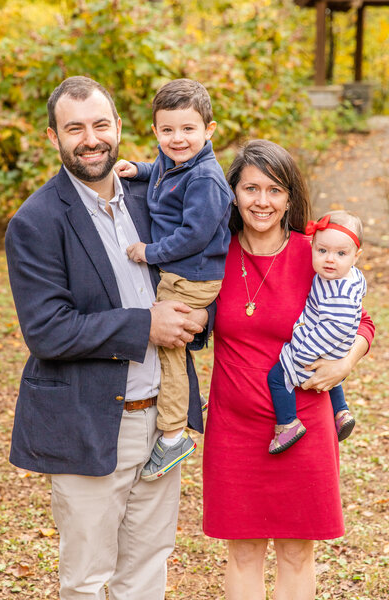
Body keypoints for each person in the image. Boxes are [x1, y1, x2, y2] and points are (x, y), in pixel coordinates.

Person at [5, 75, 212, 600]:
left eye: (100, 124)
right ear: (53, 137)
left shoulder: (154, 194)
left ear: (119, 128)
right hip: (90, 422)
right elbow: (48, 331)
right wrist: (147, 325)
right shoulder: (35, 222)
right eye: (74, 128)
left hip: (162, 416)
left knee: (147, 567)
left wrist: (196, 318)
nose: (90, 138)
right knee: (87, 578)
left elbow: (199, 259)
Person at [202, 140, 375, 600]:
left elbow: (363, 320)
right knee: (242, 552)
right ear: (233, 193)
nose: (263, 201)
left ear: (290, 197)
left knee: (298, 552)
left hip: (303, 424)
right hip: (233, 426)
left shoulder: (315, 253)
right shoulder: (213, 255)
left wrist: (345, 362)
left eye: (275, 190)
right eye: (251, 188)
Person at [114, 78, 232, 481]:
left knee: (168, 348)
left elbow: (192, 236)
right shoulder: (177, 160)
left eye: (188, 129)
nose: (177, 139)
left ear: (209, 130)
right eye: (167, 130)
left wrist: (149, 251)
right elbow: (163, 171)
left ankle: (172, 435)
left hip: (191, 274)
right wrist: (140, 169)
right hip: (183, 270)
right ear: (155, 131)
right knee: (165, 343)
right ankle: (169, 425)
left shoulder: (206, 179)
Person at [268, 210, 366, 454]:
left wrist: (302, 351)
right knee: (331, 379)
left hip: (317, 346)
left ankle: (288, 423)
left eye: (341, 253)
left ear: (356, 256)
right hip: (334, 348)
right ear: (312, 247)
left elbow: (336, 327)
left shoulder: (338, 290)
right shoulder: (350, 276)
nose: (330, 259)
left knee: (278, 378)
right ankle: (341, 411)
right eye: (322, 251)